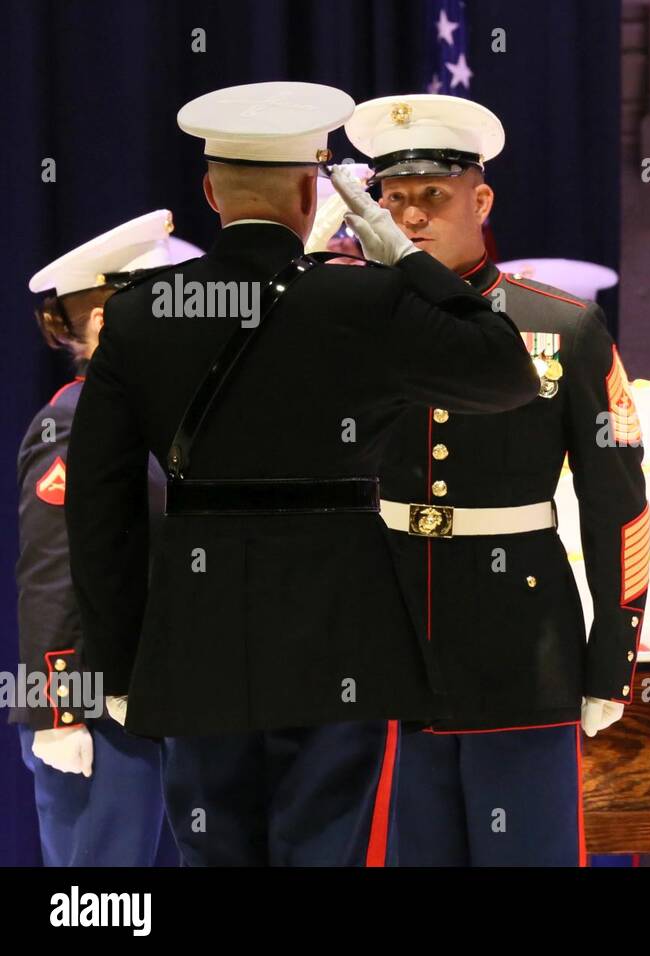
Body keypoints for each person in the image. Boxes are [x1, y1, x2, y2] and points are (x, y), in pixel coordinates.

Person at [63, 81, 537, 866]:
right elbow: (506, 373)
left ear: (211, 192)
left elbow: (99, 507)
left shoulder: (144, 312)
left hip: (197, 628)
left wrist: (115, 658)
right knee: (322, 848)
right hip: (340, 627)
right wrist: (402, 258)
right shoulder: (363, 299)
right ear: (314, 189)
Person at [344, 94, 648, 866]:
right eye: (394, 199)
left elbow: (616, 501)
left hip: (523, 641)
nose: (411, 217)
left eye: (434, 198)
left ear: (479, 200)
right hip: (388, 633)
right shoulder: (348, 323)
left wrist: (613, 654)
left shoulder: (559, 325)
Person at [15, 211, 195, 865]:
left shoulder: (162, 415)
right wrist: (56, 712)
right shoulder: (73, 422)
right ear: (103, 322)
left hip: (162, 697)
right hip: (91, 710)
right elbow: (50, 573)